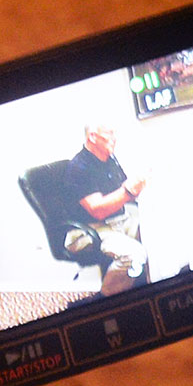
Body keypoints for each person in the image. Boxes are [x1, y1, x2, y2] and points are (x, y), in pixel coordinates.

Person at [62, 122, 149, 294]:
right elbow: (98, 210)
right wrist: (130, 191)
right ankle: (108, 300)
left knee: (155, 232)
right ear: (93, 136)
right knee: (134, 255)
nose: (114, 139)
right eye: (109, 134)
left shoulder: (109, 159)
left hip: (118, 221)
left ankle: (146, 289)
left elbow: (123, 188)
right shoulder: (79, 168)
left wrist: (137, 186)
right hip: (89, 229)